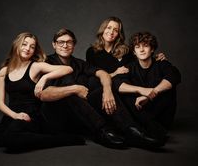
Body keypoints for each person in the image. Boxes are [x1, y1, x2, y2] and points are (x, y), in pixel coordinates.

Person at [35, 28, 164, 149]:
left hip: (79, 116)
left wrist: (107, 92)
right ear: (54, 44)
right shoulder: (46, 63)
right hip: (56, 117)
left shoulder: (79, 63)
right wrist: (74, 89)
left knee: (101, 88)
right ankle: (102, 131)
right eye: (61, 42)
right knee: (71, 94)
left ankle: (132, 130)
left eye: (69, 42)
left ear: (74, 45)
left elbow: (103, 73)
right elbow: (43, 95)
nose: (65, 45)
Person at [0, 32, 85, 151]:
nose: (28, 48)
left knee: (12, 141)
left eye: (32, 46)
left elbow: (68, 68)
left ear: (34, 50)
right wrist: (15, 115)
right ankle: (16, 137)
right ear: (17, 45)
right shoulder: (4, 71)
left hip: (31, 118)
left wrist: (44, 78)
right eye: (24, 44)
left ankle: (60, 140)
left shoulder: (35, 66)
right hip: (11, 118)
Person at [113, 31, 181, 141]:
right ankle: (149, 128)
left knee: (168, 88)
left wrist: (151, 93)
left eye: (146, 46)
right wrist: (141, 90)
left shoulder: (161, 63)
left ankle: (152, 128)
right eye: (137, 47)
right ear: (134, 52)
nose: (141, 49)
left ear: (152, 49)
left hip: (162, 117)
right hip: (141, 113)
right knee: (123, 92)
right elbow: (117, 84)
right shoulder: (130, 67)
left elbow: (174, 76)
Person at [86, 16, 166, 79]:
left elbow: (140, 64)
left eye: (116, 30)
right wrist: (114, 73)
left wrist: (155, 58)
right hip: (100, 89)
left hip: (122, 90)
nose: (111, 32)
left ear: (119, 34)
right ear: (103, 29)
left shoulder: (126, 51)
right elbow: (92, 77)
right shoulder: (91, 52)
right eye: (108, 28)